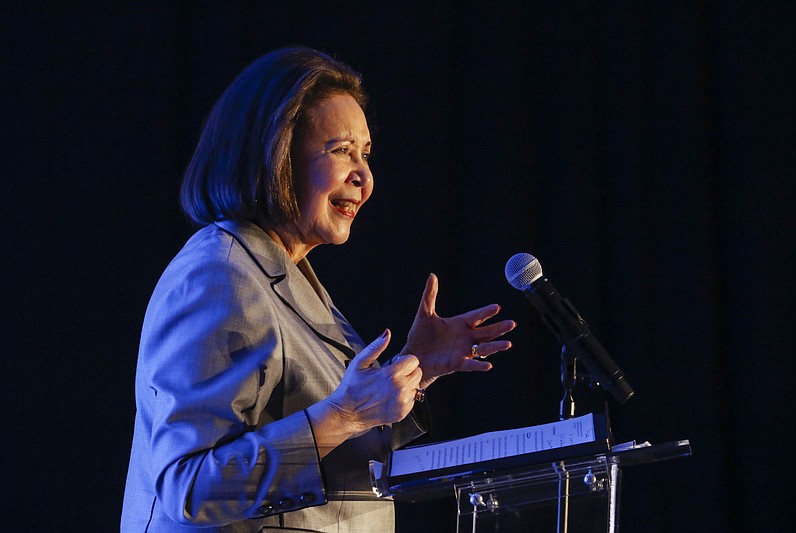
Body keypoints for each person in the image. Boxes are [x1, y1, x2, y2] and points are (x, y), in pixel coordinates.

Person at [121, 47, 516, 533]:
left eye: (366, 154)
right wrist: (347, 413)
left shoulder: (288, 275)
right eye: (340, 150)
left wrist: (414, 370)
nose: (364, 177)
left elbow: (319, 449)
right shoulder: (219, 278)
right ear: (274, 153)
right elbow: (190, 487)